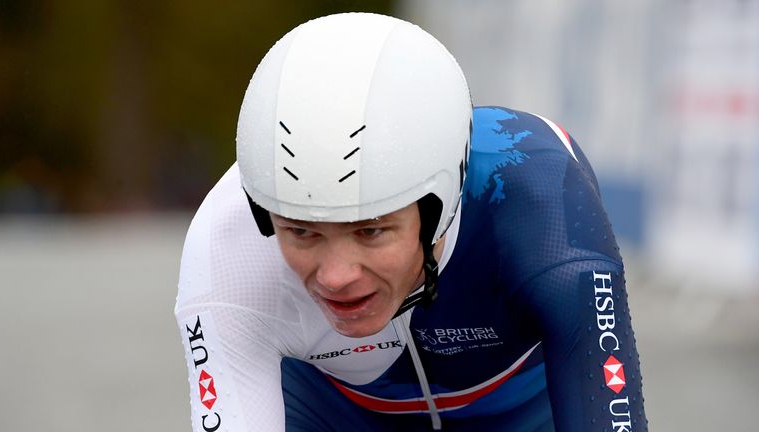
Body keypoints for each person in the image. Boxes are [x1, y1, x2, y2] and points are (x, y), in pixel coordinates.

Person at [175, 12, 647, 432]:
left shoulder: (535, 190)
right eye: (301, 231)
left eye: (370, 230)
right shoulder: (227, 245)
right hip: (331, 411)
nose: (337, 277)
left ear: (441, 201)